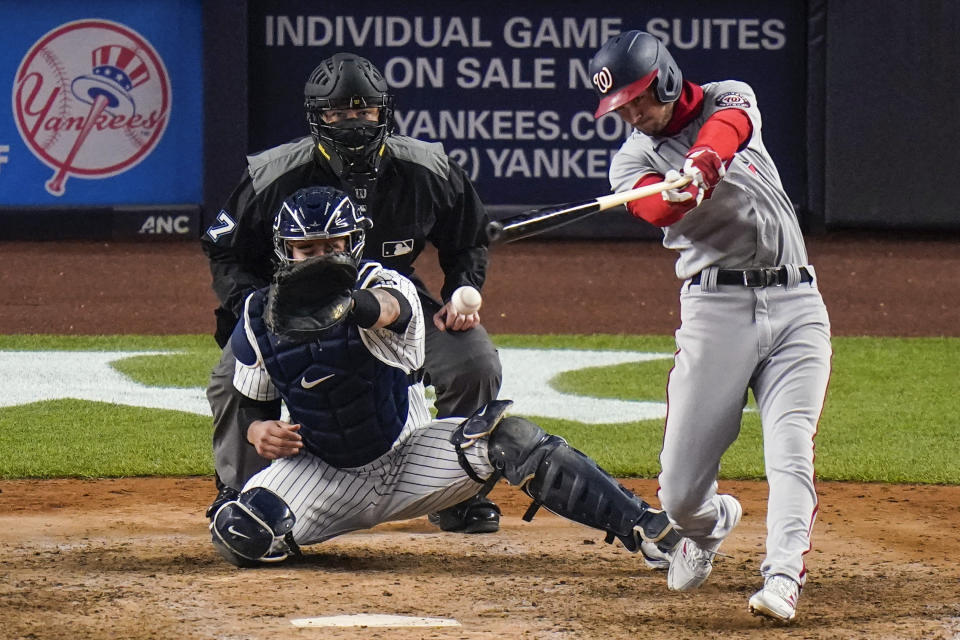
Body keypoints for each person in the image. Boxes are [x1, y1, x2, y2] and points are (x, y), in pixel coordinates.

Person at [208, 185, 681, 571]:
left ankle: (646, 528)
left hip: (411, 458)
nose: (321, 257)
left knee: (510, 437)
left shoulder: (384, 283)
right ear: (285, 251)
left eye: (333, 246)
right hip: (322, 476)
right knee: (238, 532)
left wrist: (343, 302)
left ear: (352, 244)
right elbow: (253, 400)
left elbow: (387, 312)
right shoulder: (257, 314)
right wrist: (256, 429)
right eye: (307, 249)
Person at [201, 52, 502, 534]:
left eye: (364, 112)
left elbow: (468, 238)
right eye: (339, 113)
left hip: (388, 298)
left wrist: (462, 288)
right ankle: (244, 494)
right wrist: (255, 313)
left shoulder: (428, 168)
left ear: (384, 112)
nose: (353, 123)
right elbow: (224, 249)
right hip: (288, 302)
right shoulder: (273, 173)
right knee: (228, 383)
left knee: (475, 362)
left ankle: (458, 494)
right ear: (317, 118)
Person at [588, 31, 832, 622]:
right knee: (678, 492)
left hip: (797, 301)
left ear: (667, 79)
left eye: (640, 99)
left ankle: (782, 574)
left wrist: (704, 161)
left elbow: (728, 130)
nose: (635, 115)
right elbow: (654, 208)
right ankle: (712, 525)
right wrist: (684, 193)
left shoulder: (729, 94)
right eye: (622, 108)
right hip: (714, 313)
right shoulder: (634, 160)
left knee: (791, 447)